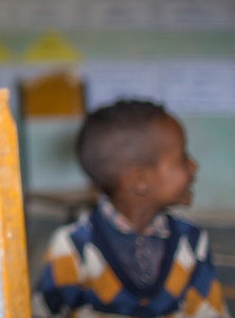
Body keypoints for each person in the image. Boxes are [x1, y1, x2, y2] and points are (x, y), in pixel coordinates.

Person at [32, 100, 230, 317]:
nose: (194, 166)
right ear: (140, 179)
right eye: (182, 158)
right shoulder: (73, 248)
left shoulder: (192, 243)